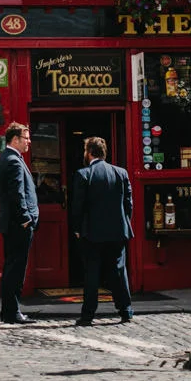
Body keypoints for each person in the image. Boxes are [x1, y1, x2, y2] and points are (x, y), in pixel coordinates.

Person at [70, 136, 134, 326]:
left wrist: (77, 228)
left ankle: (88, 315)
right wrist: (123, 222)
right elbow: (128, 204)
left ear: (89, 153)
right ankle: (125, 310)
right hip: (117, 231)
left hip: (92, 233)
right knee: (119, 271)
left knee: (92, 273)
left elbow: (78, 207)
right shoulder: (121, 173)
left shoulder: (83, 174)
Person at [0, 122, 38, 324]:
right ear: (15, 139)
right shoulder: (12, 160)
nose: (29, 141)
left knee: (12, 267)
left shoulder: (10, 158)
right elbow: (16, 193)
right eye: (26, 138)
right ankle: (12, 312)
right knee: (15, 269)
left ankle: (9, 312)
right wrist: (25, 219)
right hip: (17, 225)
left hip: (12, 224)